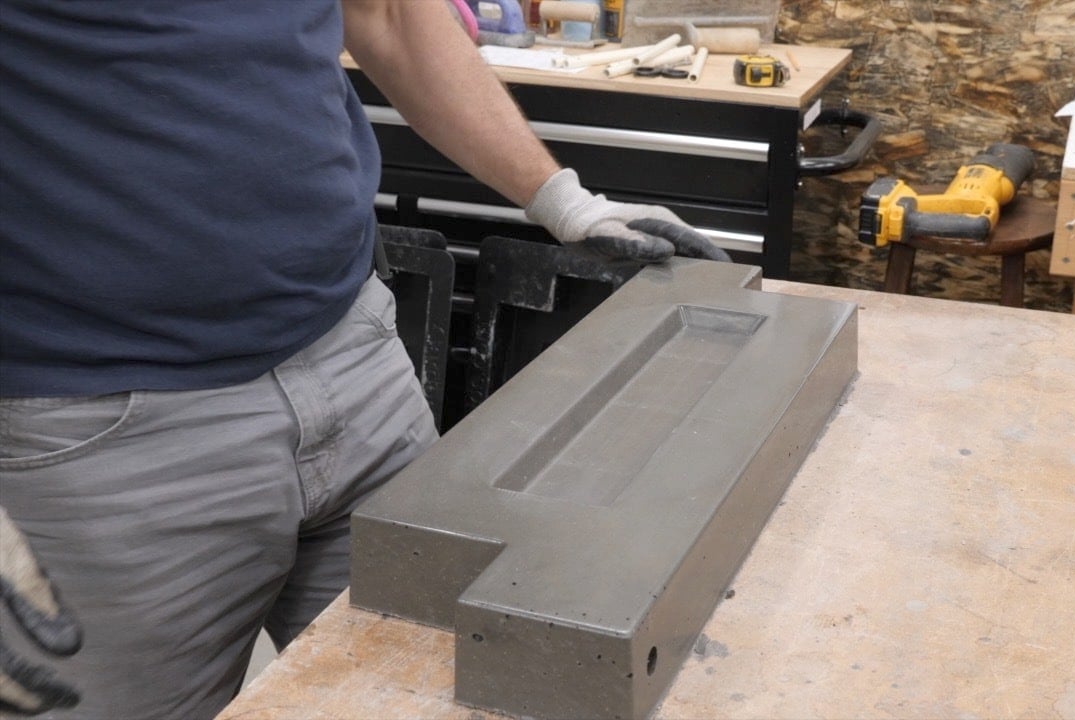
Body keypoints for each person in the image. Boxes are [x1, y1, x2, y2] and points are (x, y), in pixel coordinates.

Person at [0, 1, 729, 717]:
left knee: (444, 687)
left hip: (356, 363)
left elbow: (388, 15)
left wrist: (564, 201)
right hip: (98, 435)